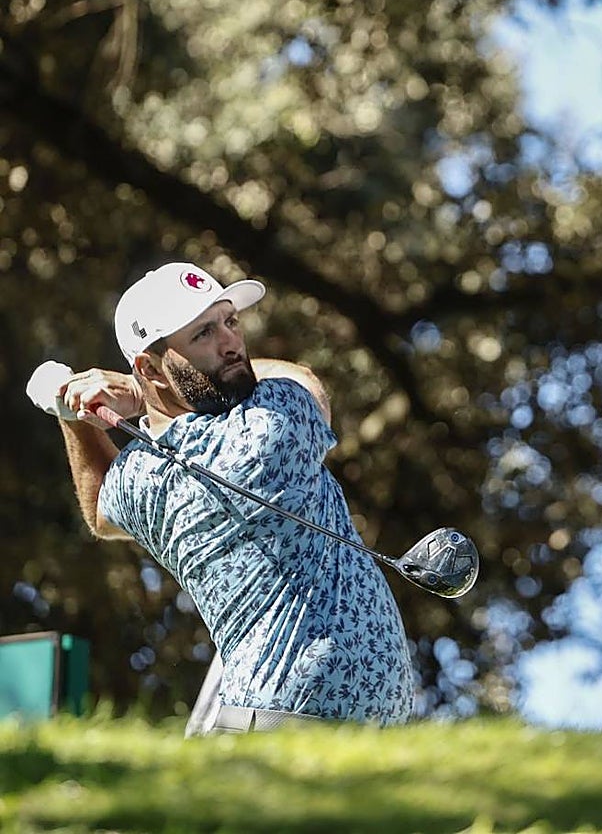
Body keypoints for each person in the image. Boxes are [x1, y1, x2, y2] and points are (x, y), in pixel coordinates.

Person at [26, 262, 414, 733]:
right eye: (204, 333)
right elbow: (304, 380)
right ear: (149, 367)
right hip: (288, 726)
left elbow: (100, 513)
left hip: (265, 718)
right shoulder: (269, 425)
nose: (232, 343)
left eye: (230, 321)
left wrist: (71, 415)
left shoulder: (140, 479)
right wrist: (134, 393)